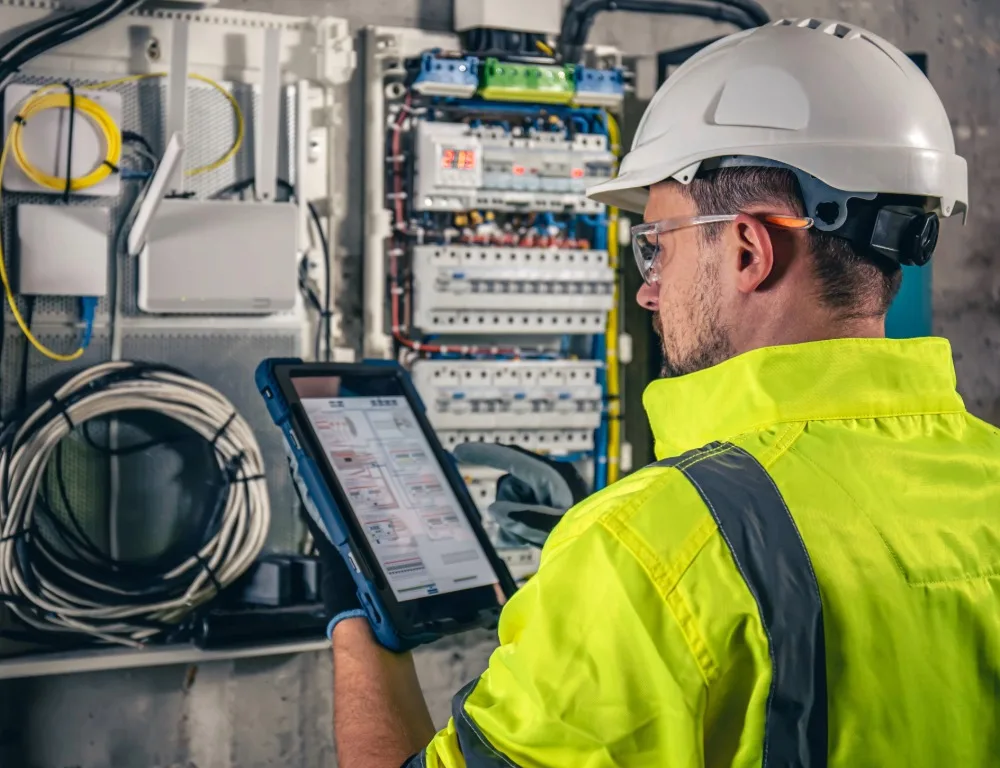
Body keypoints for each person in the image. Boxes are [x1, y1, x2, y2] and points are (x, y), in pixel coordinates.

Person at [317, 18, 1000, 767]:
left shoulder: (642, 553)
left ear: (747, 250)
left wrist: (355, 614)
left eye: (658, 246)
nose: (649, 291)